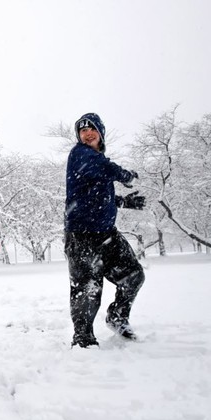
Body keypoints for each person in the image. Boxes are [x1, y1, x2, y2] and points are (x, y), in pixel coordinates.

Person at [64, 113, 146, 348]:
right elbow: (103, 167)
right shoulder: (80, 154)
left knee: (133, 275)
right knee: (87, 289)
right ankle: (83, 340)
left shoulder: (96, 164)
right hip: (81, 235)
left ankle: (117, 317)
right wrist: (124, 175)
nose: (87, 133)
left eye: (92, 129)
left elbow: (97, 196)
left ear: (101, 133)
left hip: (107, 234)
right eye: (82, 130)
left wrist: (123, 202)